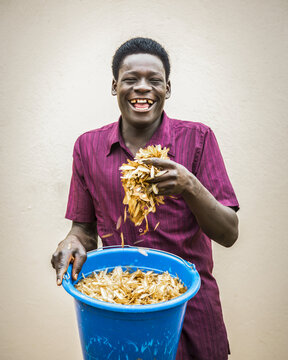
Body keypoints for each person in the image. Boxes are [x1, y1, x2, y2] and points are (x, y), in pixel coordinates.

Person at [51, 37, 239, 360]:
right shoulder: (87, 147)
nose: (142, 88)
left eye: (154, 80)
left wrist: (189, 185)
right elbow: (82, 230)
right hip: (119, 313)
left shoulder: (198, 139)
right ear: (114, 86)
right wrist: (71, 242)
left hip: (190, 313)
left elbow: (229, 233)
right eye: (130, 79)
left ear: (168, 88)